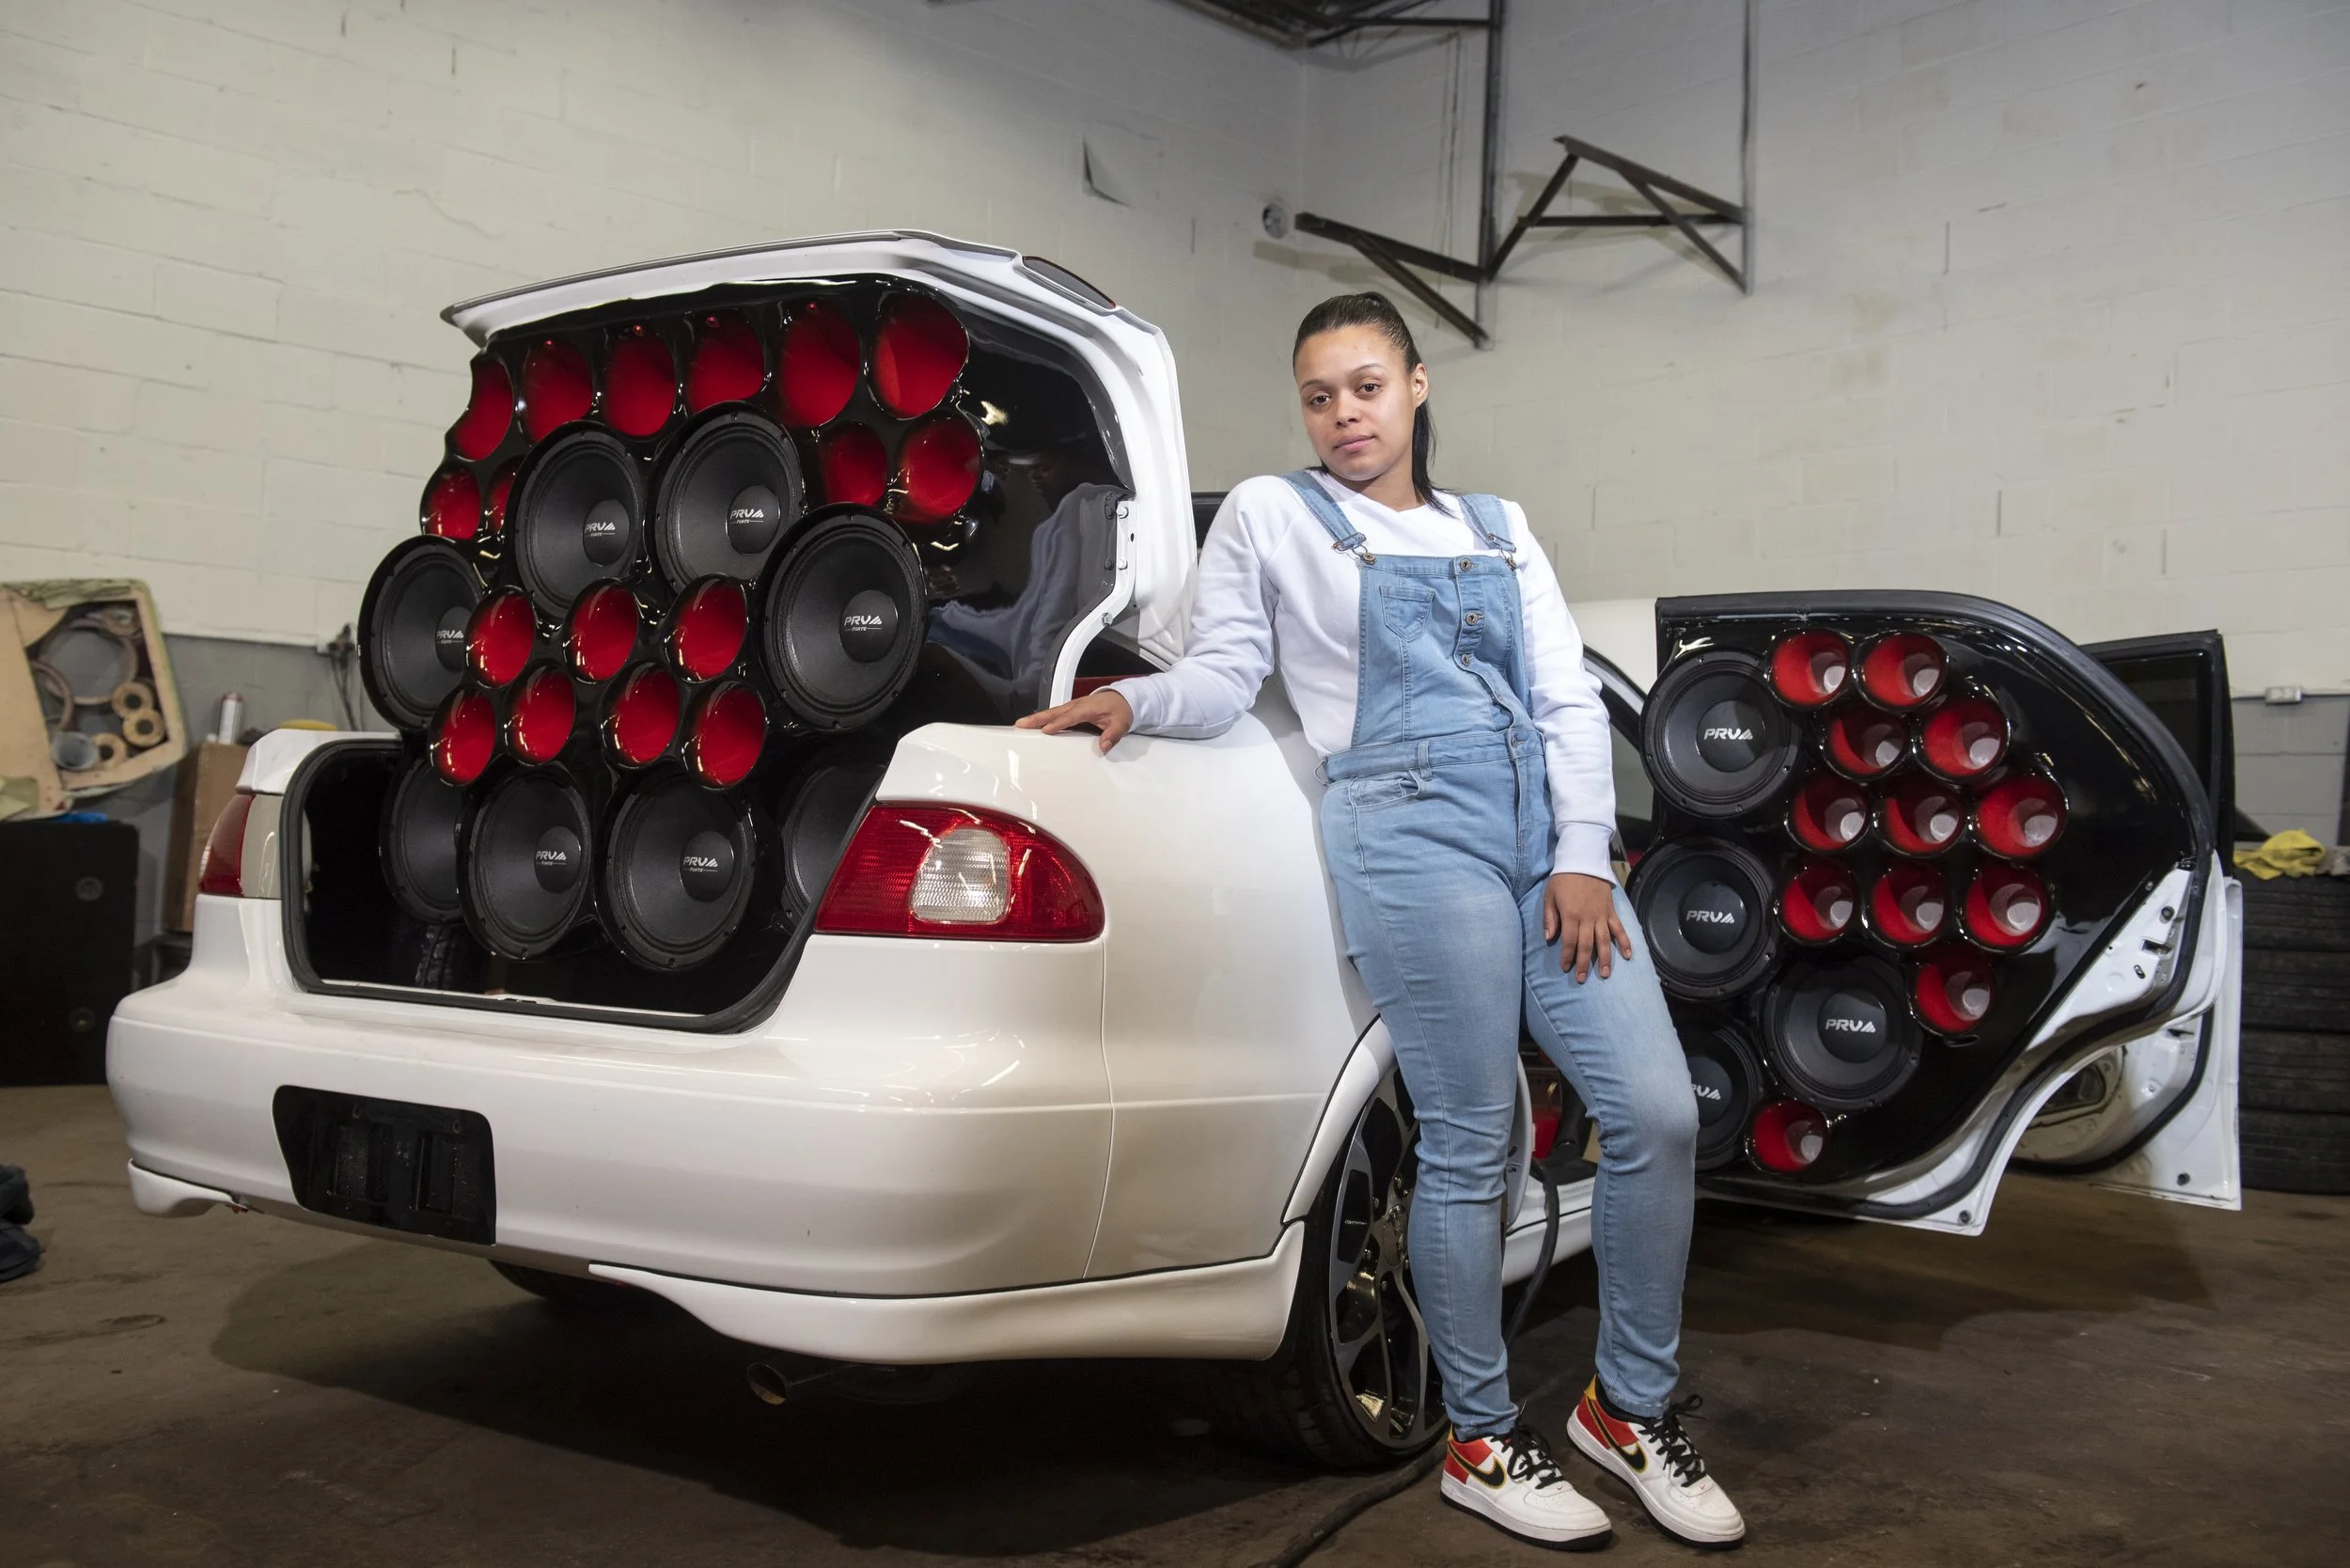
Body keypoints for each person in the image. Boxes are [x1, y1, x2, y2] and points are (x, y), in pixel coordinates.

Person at [1017, 292, 1746, 1552]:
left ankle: (1626, 1410)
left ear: (1416, 386)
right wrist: (1134, 704)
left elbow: (1565, 701)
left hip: (1541, 844)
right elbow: (1225, 674)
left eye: (1365, 387)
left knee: (1658, 1112)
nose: (1343, 416)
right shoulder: (1273, 514)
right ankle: (1480, 1439)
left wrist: (1582, 853)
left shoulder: (1500, 527)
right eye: (1318, 397)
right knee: (1469, 1138)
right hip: (1409, 836)